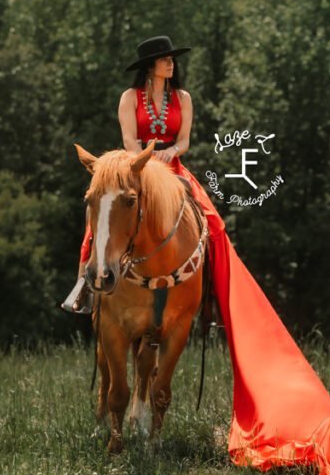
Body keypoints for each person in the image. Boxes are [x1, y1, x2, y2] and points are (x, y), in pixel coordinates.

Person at [61, 35, 225, 313]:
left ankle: (214, 296)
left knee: (215, 225)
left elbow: (184, 140)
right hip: (136, 166)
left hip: (172, 167)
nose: (170, 64)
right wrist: (143, 162)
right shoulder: (129, 97)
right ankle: (83, 288)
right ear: (150, 66)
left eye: (171, 59)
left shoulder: (183, 98)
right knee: (97, 222)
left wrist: (171, 151)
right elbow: (128, 138)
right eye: (164, 59)